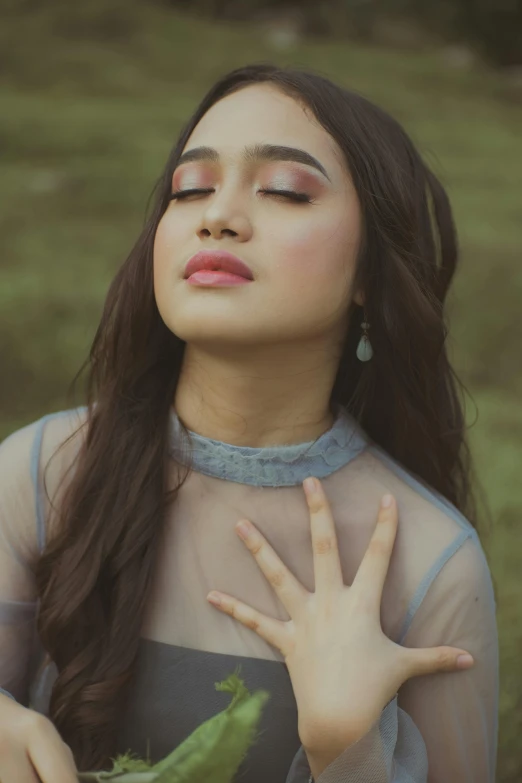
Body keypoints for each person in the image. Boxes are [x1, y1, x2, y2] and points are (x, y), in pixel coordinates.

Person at [0, 63, 498, 783]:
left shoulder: (431, 565)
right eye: (190, 188)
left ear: (369, 272)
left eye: (286, 191)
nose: (219, 215)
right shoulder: (41, 473)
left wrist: (347, 749)